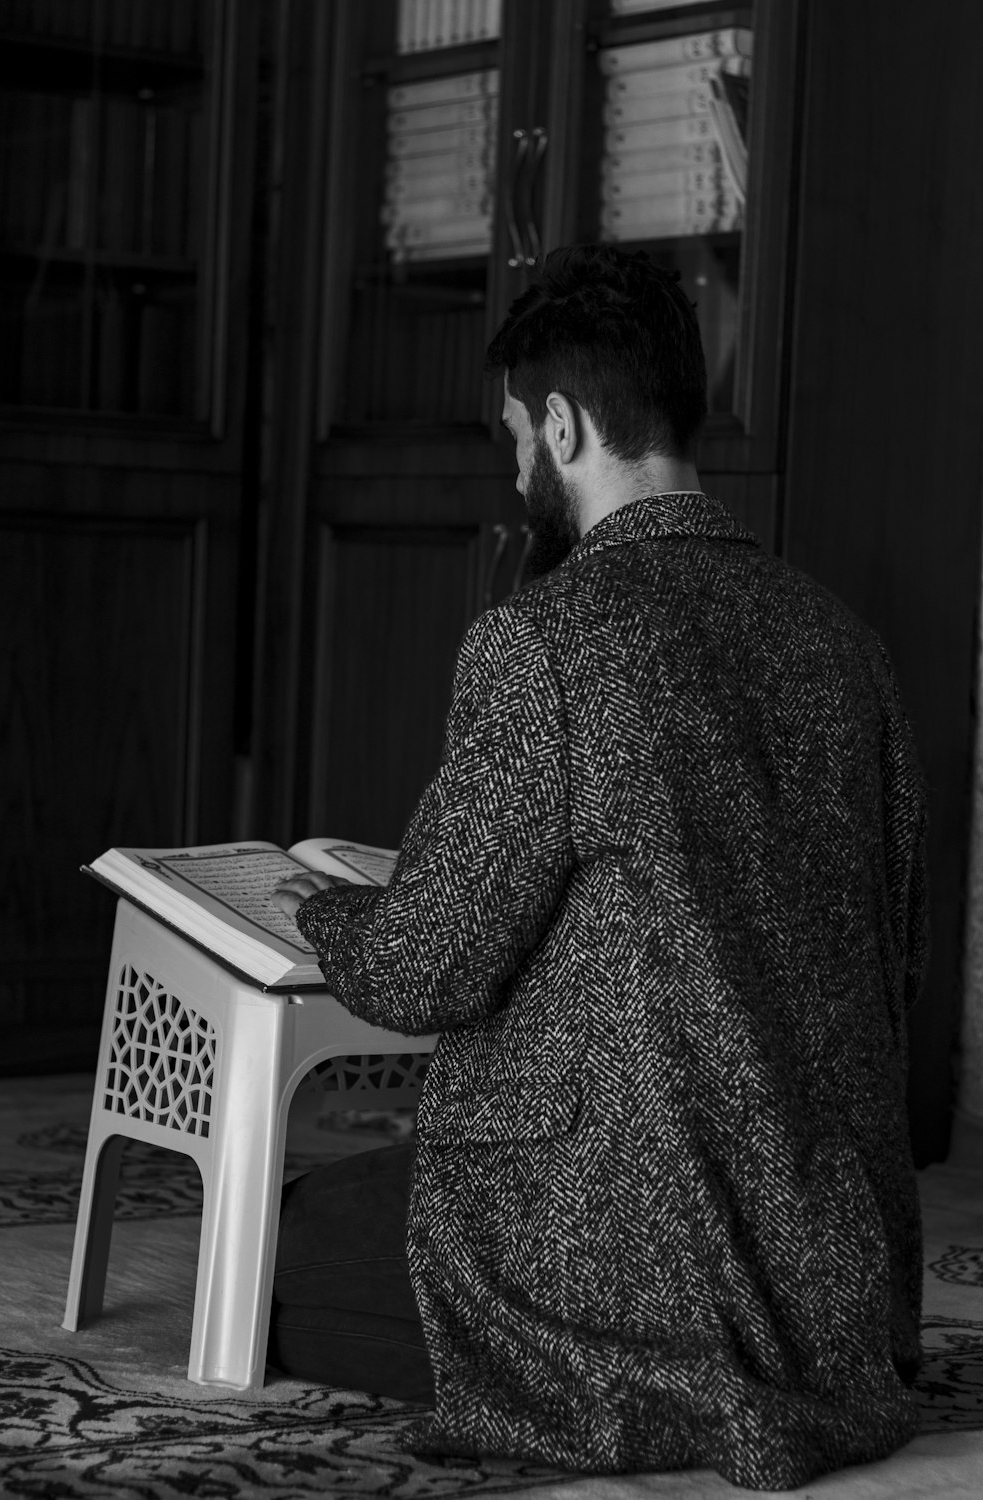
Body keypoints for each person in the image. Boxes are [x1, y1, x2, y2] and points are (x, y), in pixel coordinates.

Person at [270, 243, 928, 1490]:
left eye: (518, 434)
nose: (517, 465)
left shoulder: (549, 640)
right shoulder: (846, 647)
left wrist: (330, 912)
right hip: (833, 1285)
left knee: (296, 1238)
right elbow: (896, 960)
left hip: (627, 1275)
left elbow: (423, 971)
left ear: (563, 425)